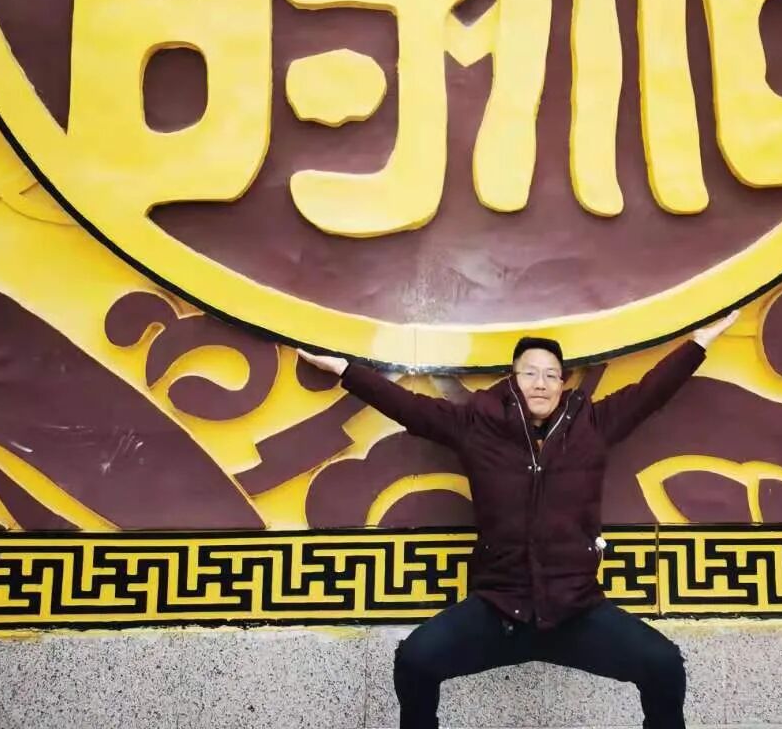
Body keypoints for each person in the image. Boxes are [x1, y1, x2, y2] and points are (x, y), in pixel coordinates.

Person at [298, 310, 737, 729]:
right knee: (414, 660)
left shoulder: (593, 424)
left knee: (663, 664)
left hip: (575, 610)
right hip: (499, 610)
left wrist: (699, 342)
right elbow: (408, 407)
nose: (540, 383)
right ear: (513, 380)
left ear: (563, 384)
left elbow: (651, 391)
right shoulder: (476, 425)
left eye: (551, 375)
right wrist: (345, 370)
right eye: (529, 373)